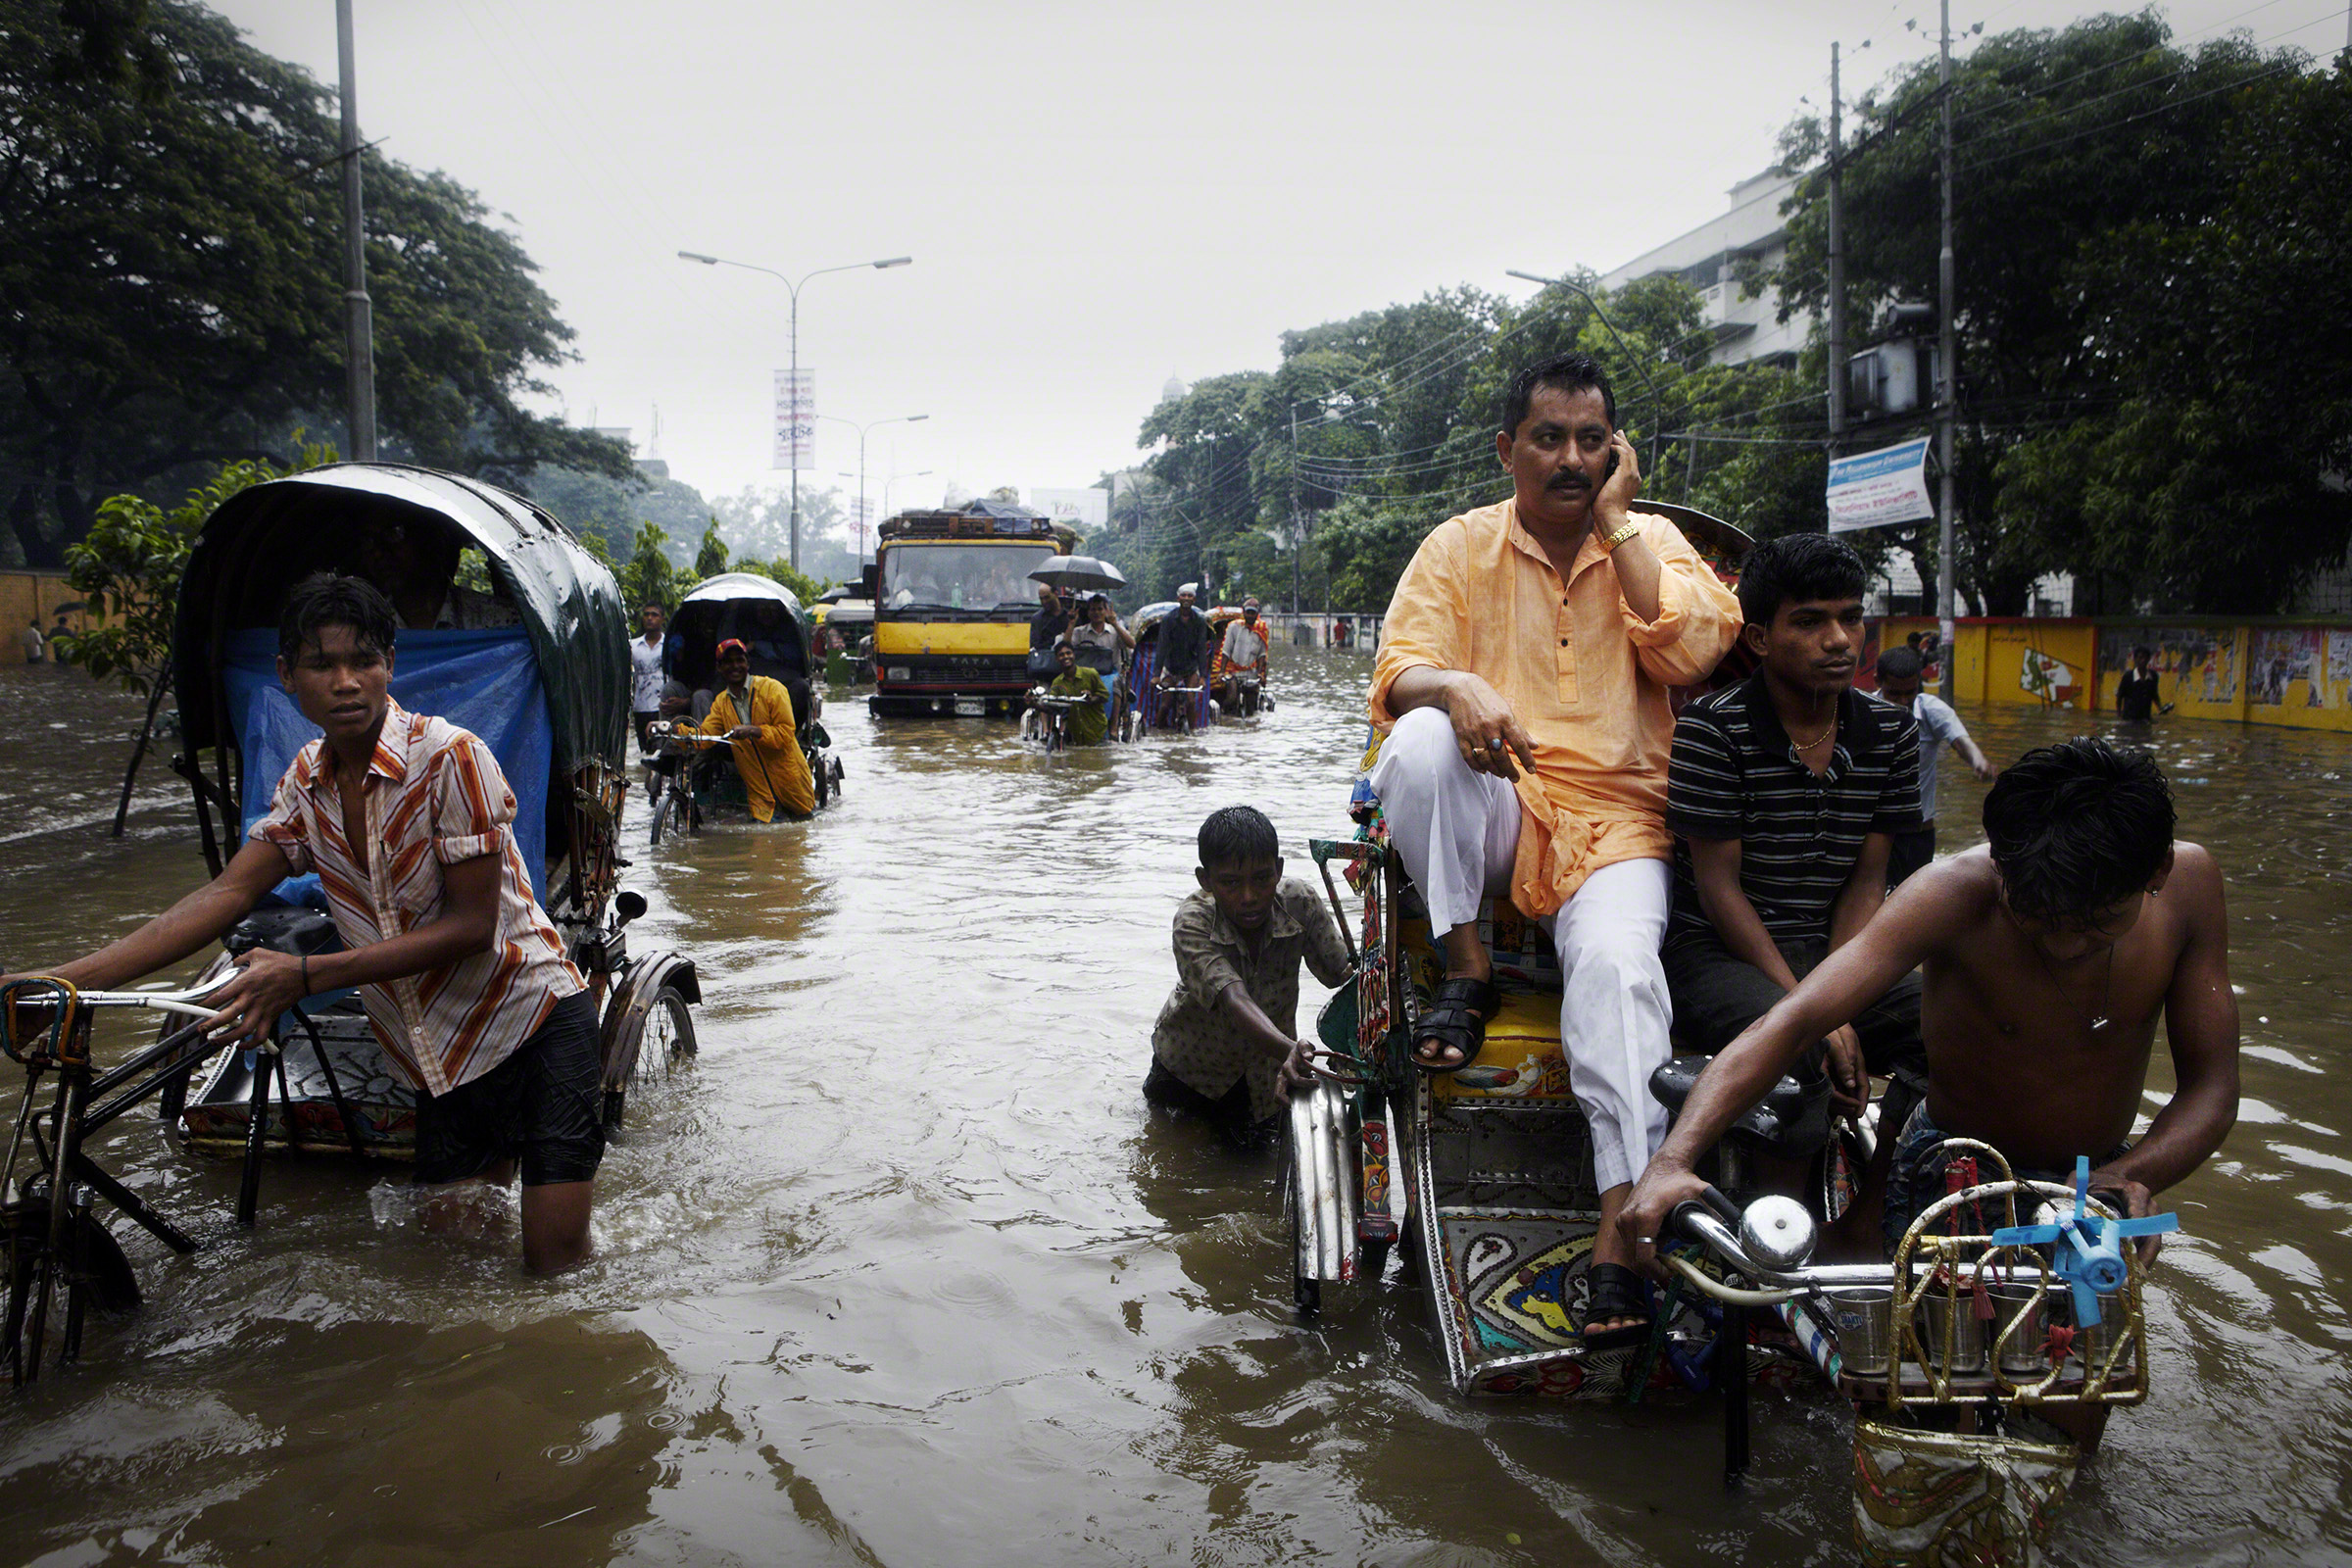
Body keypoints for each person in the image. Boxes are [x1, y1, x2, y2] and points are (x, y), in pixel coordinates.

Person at [3, 574, 601, 1273]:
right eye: (322, 664)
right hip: (441, 1053)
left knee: (553, 1268)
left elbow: (474, 927)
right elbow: (226, 894)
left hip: (531, 1022)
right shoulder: (305, 784)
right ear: (288, 676)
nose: (346, 682)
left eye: (364, 661)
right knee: (456, 1270)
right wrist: (56, 983)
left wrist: (306, 974)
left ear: (390, 668)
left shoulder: (450, 757)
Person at [1622, 739, 2239, 1400]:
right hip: (1951, 1178)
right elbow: (1790, 1022)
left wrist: (2131, 1175)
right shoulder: (1951, 892)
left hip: (2088, 1195)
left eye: (2094, 927)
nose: (2063, 946)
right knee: (1933, 1405)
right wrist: (1671, 1159)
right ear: (2002, 868)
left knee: (2079, 1405)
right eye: (2037, 919)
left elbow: (2213, 1086)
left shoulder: (2191, 886)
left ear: (2158, 872)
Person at [1366, 350, 1741, 1346]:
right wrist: (1456, 688)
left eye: (1591, 440)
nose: (1570, 459)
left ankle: (1626, 1225)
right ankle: (1467, 965)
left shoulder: (1652, 540)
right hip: (1503, 800)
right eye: (1549, 438)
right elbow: (1399, 669)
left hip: (1621, 828)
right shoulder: (1458, 546)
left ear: (1613, 451)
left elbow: (1697, 651)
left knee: (1621, 973)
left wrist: (1620, 528)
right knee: (1416, 739)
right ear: (1508, 449)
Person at [1661, 534, 1929, 1242]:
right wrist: (1817, 1012)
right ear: (1761, 635)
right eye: (1809, 621)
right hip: (1718, 952)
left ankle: (1873, 1217)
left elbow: (1869, 881)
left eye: (1849, 617)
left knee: (1959, 1017)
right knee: (1798, 1046)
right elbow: (1720, 893)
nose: (1838, 640)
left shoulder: (1892, 734)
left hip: (1834, 946)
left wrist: (1839, 989)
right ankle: (1784, 1241)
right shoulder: (1711, 731)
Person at [1145, 806, 1351, 1147]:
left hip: (1266, 1080)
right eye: (1230, 883)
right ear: (1206, 880)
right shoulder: (1193, 922)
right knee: (1173, 1161)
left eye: (1261, 878)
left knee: (1255, 1173)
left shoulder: (1300, 902)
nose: (1249, 897)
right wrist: (1290, 1049)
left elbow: (1340, 974)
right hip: (1190, 1074)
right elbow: (1233, 997)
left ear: (1279, 869)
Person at [1875, 645, 1995, 887]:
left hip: (1917, 832)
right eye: (1894, 694)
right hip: (1872, 830)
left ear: (1918, 683)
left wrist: (1978, 761)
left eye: (1909, 692)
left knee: (1912, 900)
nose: (1903, 701)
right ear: (1878, 682)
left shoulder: (1932, 711)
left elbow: (1960, 742)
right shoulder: (1864, 711)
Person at [685, 637, 813, 821]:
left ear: (747, 663)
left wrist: (753, 731)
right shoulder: (722, 702)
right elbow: (706, 736)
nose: (734, 666)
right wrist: (674, 731)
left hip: (792, 789)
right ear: (719, 668)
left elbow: (785, 734)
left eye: (739, 660)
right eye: (728, 662)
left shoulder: (772, 689)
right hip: (761, 802)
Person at [353, 516, 519, 631]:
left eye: (395, 533)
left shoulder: (502, 620)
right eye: (369, 541)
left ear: (431, 540)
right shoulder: (367, 628)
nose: (379, 552)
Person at [1155, 583, 1212, 721]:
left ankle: (1192, 737)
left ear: (1194, 600)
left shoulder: (1199, 621)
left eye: (1190, 596)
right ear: (1178, 599)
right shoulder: (1168, 620)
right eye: (1183, 595)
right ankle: (1159, 733)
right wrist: (1156, 675)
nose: (1186, 598)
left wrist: (1203, 677)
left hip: (1190, 668)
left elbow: (1201, 648)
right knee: (1165, 705)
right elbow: (1162, 646)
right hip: (1171, 668)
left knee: (1191, 702)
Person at [1041, 640, 1110, 745]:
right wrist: (1033, 703)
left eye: (1068, 653)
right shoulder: (1057, 682)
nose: (1065, 657)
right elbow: (1051, 708)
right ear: (1057, 659)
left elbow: (1104, 696)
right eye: (1061, 655)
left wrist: (1091, 699)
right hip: (1075, 735)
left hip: (1097, 731)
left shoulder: (1090, 674)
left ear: (1074, 655)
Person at [1214, 598, 1269, 710]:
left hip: (1251, 671)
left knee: (1251, 704)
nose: (1250, 616)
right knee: (1232, 697)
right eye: (1248, 612)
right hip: (1232, 670)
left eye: (1253, 613)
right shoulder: (1233, 627)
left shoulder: (1262, 629)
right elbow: (1226, 650)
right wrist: (1222, 672)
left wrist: (1260, 673)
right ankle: (1226, 716)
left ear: (1257, 614)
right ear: (1243, 613)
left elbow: (1262, 655)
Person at [629, 604, 668, 757]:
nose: (650, 618)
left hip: (663, 706)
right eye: (646, 615)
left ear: (662, 619)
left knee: (664, 752)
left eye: (654, 614)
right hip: (641, 707)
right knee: (646, 752)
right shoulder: (633, 646)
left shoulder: (668, 645)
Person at [1068, 593, 1132, 676]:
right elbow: (1065, 646)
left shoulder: (1115, 631)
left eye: (1100, 609)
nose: (1096, 612)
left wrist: (1115, 624)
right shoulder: (1080, 632)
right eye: (1093, 609)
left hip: (1111, 678)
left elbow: (1132, 644)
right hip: (1086, 678)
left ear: (1106, 611)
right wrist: (1071, 624)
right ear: (1088, 612)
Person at [2115, 644, 2167, 723]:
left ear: (2148, 659)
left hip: (2145, 717)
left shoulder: (2153, 676)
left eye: (2145, 658)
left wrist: (2160, 708)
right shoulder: (2128, 676)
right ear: (2135, 659)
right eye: (2140, 658)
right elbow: (2120, 696)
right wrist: (2119, 714)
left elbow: (2154, 694)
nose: (2143, 660)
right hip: (2129, 718)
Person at [1029, 584, 1070, 675]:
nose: (1044, 602)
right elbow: (1035, 645)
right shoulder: (1037, 619)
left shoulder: (1070, 616)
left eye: (1047, 597)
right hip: (1047, 670)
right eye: (1041, 599)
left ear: (1056, 594)